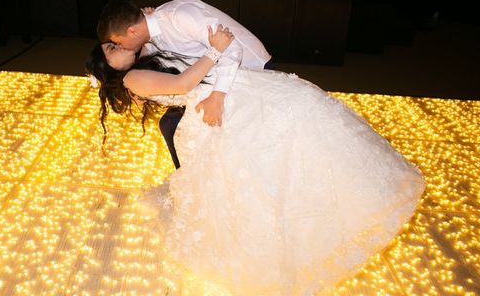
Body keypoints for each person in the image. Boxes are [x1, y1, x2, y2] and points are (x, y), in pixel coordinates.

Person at [85, 26, 426, 296]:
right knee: (258, 171)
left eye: (114, 43)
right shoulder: (131, 79)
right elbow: (183, 82)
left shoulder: (142, 59)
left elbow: (155, 42)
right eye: (111, 50)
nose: (118, 46)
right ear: (108, 69)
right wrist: (215, 48)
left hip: (232, 93)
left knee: (290, 141)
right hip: (215, 108)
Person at [96, 0, 274, 169]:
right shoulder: (148, 37)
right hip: (209, 82)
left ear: (132, 31)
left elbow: (232, 47)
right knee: (172, 126)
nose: (121, 47)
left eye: (118, 42)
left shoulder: (180, 17)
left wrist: (217, 96)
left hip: (250, 69)